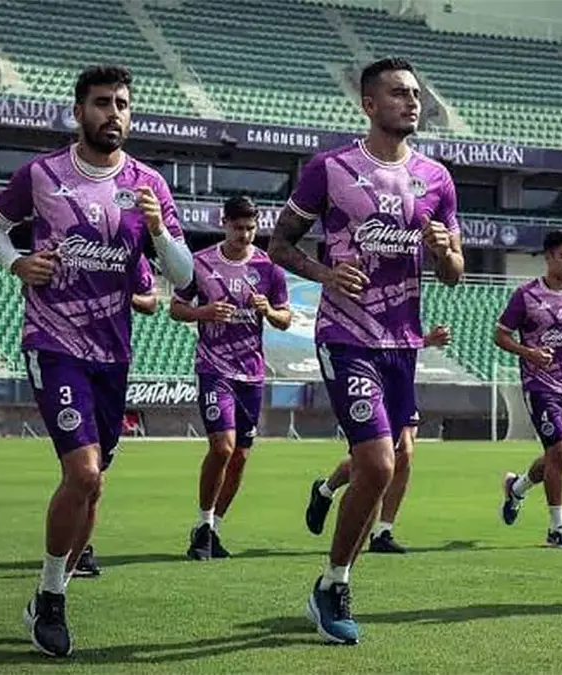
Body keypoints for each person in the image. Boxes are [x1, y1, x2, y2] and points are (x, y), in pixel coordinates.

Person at [0, 64, 193, 657]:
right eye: (101, 102)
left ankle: (53, 591)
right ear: (79, 112)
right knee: (84, 474)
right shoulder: (42, 174)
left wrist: (158, 231)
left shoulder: (150, 184)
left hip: (112, 356)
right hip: (54, 345)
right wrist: (17, 263)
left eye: (121, 103)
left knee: (94, 489)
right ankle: (50, 598)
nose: (112, 113)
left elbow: (183, 277)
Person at [268, 57, 463, 645]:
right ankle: (335, 584)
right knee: (378, 463)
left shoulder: (437, 179)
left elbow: (454, 273)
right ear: (369, 105)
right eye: (400, 93)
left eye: (416, 94)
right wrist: (325, 274)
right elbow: (280, 245)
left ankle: (331, 579)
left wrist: (442, 251)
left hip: (403, 342)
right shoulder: (330, 169)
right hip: (346, 335)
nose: (412, 102)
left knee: (392, 462)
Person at [170, 195, 291, 561]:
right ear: (224, 223)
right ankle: (203, 523)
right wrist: (204, 312)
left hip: (251, 374)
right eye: (238, 228)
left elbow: (285, 319)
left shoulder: (269, 268)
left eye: (251, 228)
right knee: (222, 447)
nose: (245, 235)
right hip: (214, 368)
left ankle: (214, 530)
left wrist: (268, 310)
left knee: (239, 456)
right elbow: (176, 308)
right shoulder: (201, 262)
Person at [304, 324, 452, 554]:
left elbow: (400, 333)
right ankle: (327, 490)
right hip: (367, 364)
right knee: (382, 456)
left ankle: (382, 531)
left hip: (401, 369)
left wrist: (425, 340)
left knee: (403, 454)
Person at [495, 230, 562, 549]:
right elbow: (501, 335)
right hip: (539, 385)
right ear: (548, 257)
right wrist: (529, 353)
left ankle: (517, 488)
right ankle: (558, 528)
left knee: (557, 454)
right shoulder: (526, 295)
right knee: (558, 451)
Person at [71, 254, 159, 578]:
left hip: (113, 361)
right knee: (83, 469)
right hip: (69, 357)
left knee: (96, 474)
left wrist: (126, 294)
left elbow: (151, 302)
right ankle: (68, 562)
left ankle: (79, 547)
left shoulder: (129, 249)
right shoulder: (72, 242)